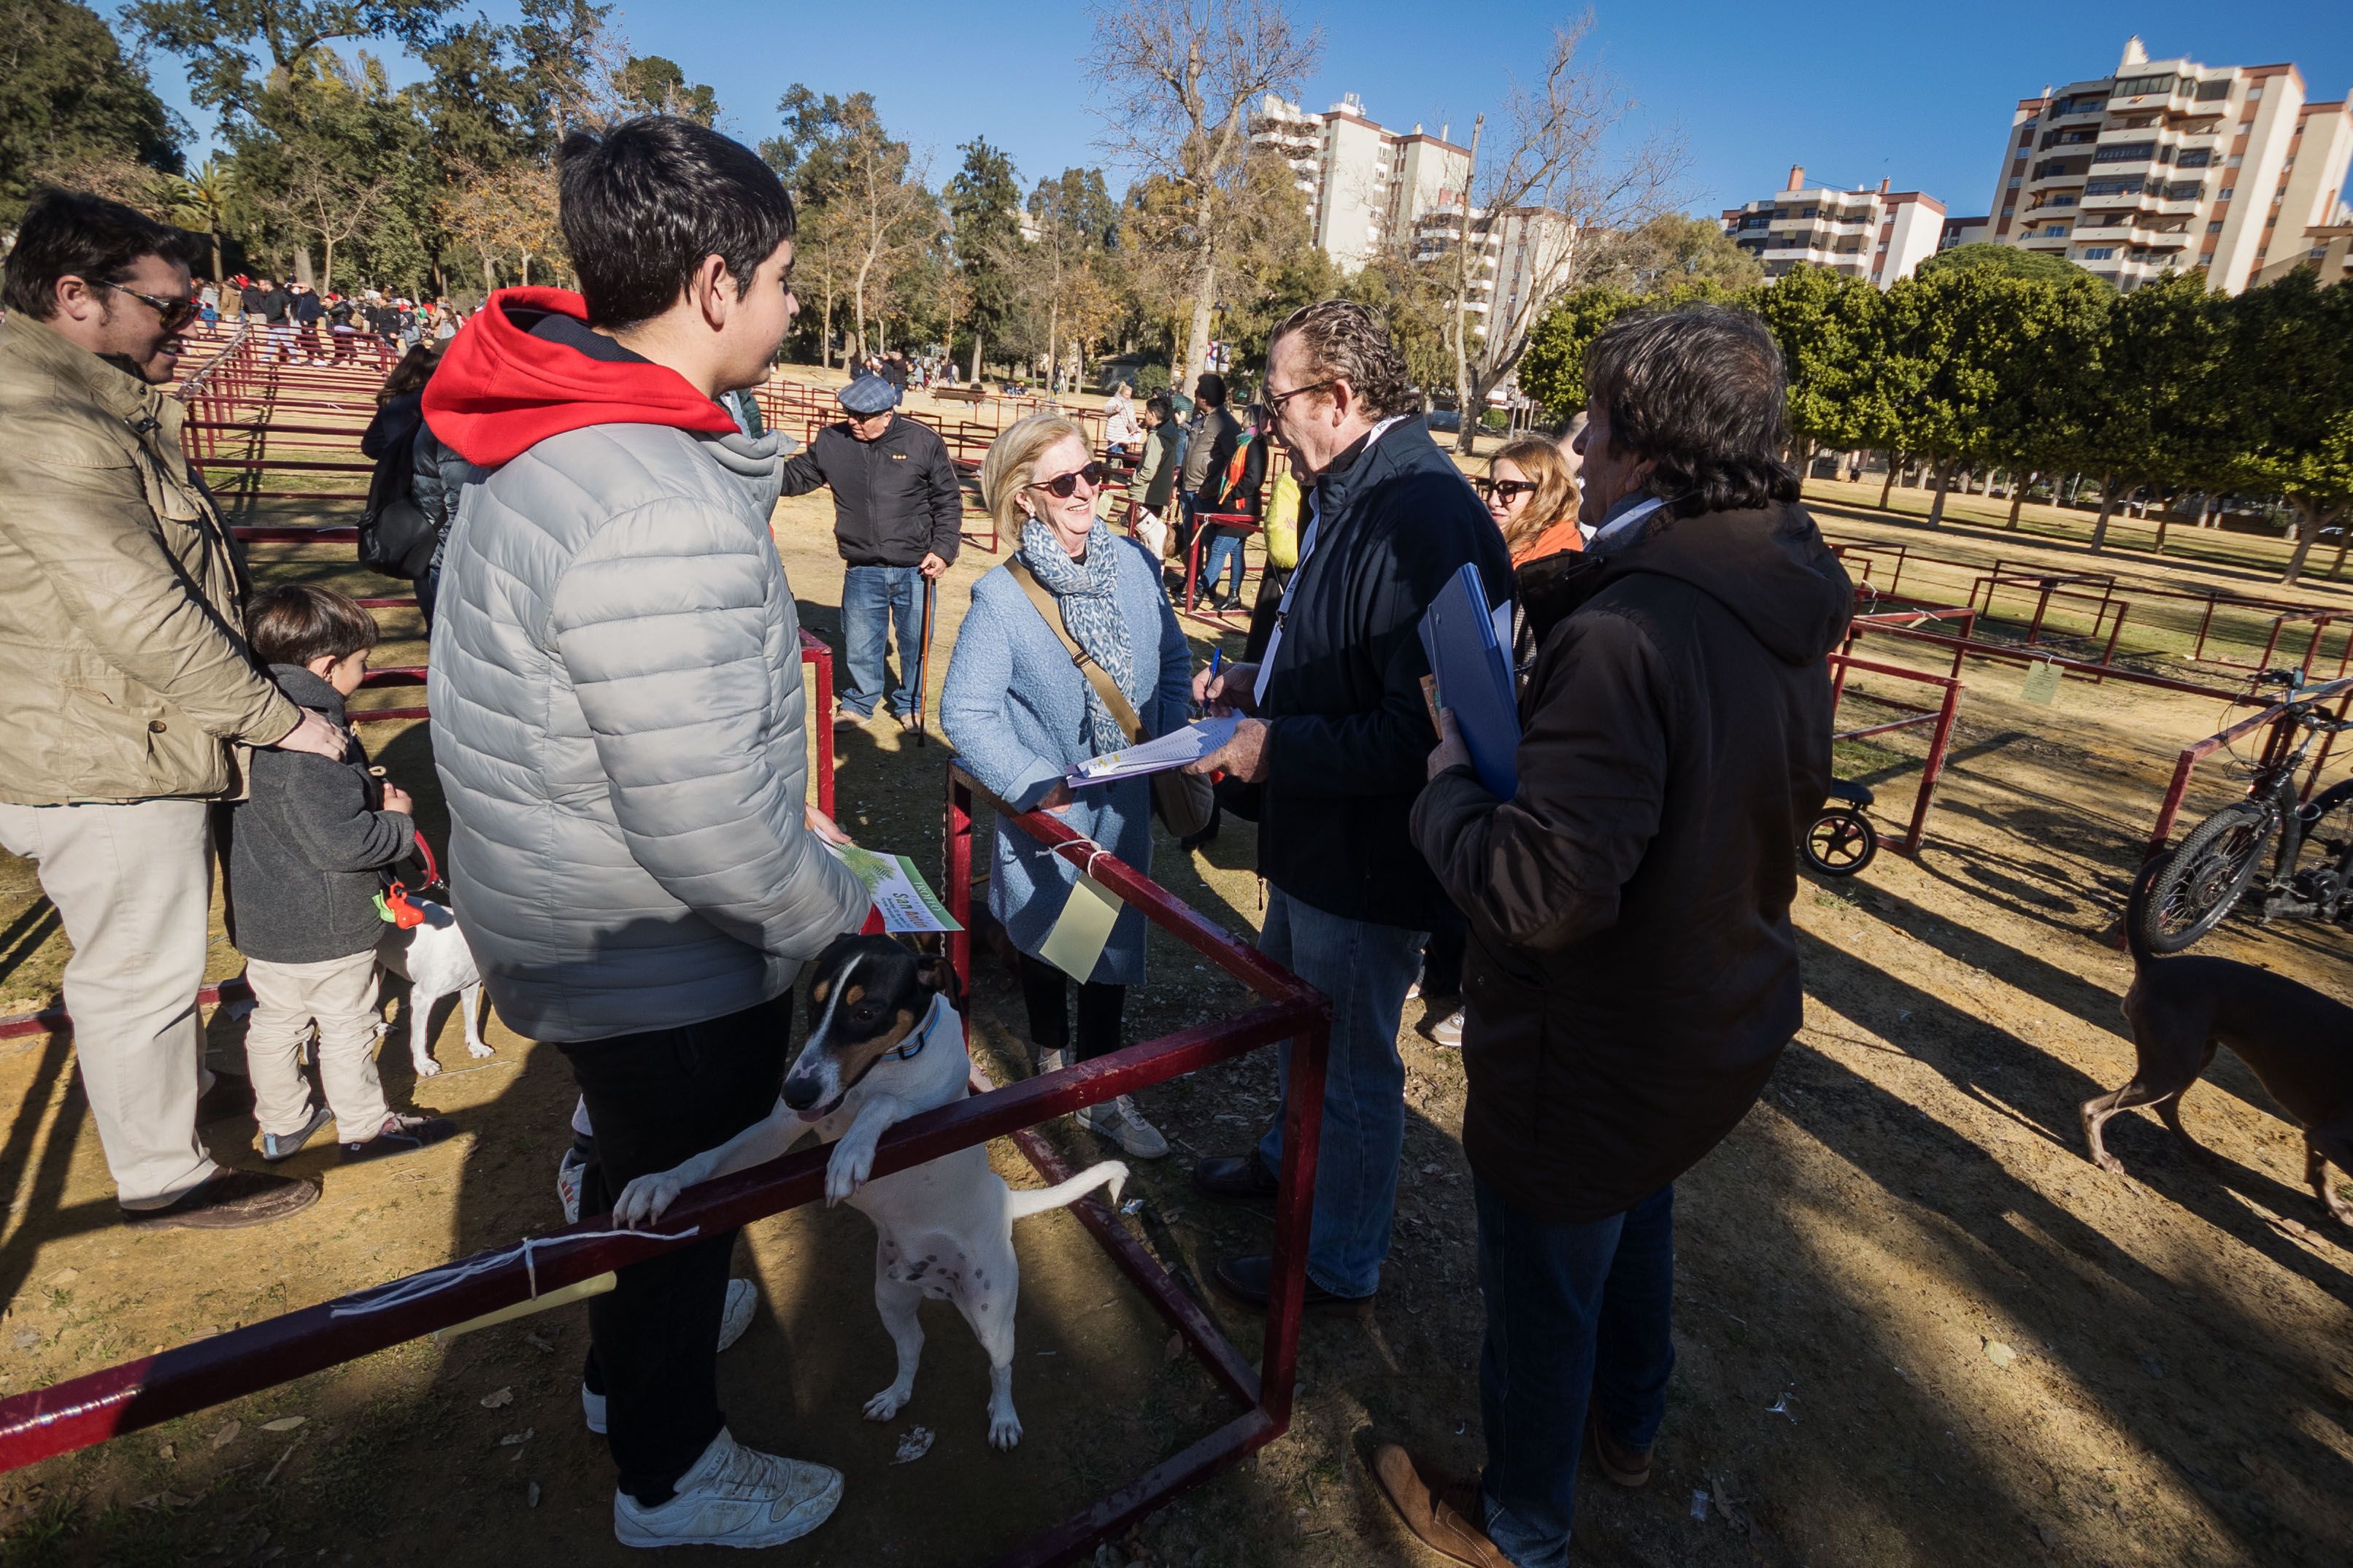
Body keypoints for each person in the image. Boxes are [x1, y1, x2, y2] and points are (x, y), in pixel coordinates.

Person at [424, 116, 869, 1549]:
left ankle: (632, 1373)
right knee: (689, 1179)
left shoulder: (568, 439)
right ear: (718, 283)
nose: (798, 311)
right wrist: (842, 924)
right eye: (789, 278)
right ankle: (673, 1475)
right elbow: (709, 829)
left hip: (578, 908)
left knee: (641, 1164)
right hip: (657, 946)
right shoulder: (648, 503)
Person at [1376, 305, 1852, 1568]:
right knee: (1636, 1206)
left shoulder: (1628, 626)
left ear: (1642, 447)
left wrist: (1444, 781)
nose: (1575, 443)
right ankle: (1627, 1417)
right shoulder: (1771, 571)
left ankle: (1518, 1522)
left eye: (1592, 420)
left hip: (1591, 1036)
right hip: (1704, 1003)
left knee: (1543, 1290)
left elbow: (1537, 890)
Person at [0, 190, 346, 1230]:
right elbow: (142, 610)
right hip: (103, 749)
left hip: (119, 734)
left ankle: (173, 1096)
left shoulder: (86, 406)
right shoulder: (46, 425)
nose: (187, 325)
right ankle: (162, 1174)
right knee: (139, 969)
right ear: (76, 297)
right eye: (166, 304)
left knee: (155, 959)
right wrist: (281, 720)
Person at [1183, 299, 1509, 1313]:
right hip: (1317, 832)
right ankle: (1291, 1159)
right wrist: (1259, 683)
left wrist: (1274, 744)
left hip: (1367, 856)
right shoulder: (1355, 488)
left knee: (1354, 1064)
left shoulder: (1423, 513)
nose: (1265, 421)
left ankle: (1337, 1261)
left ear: (1339, 395)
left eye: (1277, 400)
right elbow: (1342, 650)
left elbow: (1424, 731)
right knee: (1299, 1025)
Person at [940, 417, 1189, 1160]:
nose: (1086, 491)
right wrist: (1029, 784)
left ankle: (1101, 1088)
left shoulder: (1137, 568)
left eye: (1094, 474)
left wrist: (1165, 744)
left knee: (1106, 946)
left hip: (1125, 809)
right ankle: (1053, 1064)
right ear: (1024, 498)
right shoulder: (1001, 599)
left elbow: (1172, 661)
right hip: (1053, 815)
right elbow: (966, 709)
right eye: (1063, 482)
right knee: (1054, 941)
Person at [231, 585, 458, 1163]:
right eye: (362, 663)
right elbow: (346, 843)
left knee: (276, 1022)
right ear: (328, 667)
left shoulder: (249, 724)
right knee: (349, 1023)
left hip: (265, 919)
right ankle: (364, 1125)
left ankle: (283, 1122)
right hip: (329, 923)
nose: (366, 672)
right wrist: (396, 822)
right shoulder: (319, 745)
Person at [779, 372, 962, 732]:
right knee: (861, 643)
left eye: (862, 417)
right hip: (862, 566)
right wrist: (752, 472)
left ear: (887, 415)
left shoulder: (923, 442)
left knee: (915, 643)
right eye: (849, 413)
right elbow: (796, 477)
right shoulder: (832, 441)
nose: (853, 422)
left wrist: (943, 550)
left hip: (916, 567)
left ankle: (911, 704)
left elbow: (948, 500)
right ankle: (859, 704)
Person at [1195, 402, 1268, 612]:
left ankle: (1198, 591)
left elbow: (1253, 478)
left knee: (1218, 548)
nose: (1241, 419)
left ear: (1252, 419)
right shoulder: (1244, 442)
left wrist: (1233, 493)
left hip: (1241, 507)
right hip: (1233, 506)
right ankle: (1234, 594)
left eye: (1245, 415)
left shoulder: (1254, 444)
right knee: (1236, 551)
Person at [1174, 372, 1239, 579]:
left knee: (1209, 541)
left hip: (1205, 496)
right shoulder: (1200, 419)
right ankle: (1190, 580)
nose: (1195, 394)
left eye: (1199, 391)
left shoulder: (1226, 424)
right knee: (1189, 539)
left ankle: (1206, 586)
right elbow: (1190, 452)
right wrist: (1180, 481)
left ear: (1206, 396)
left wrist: (1211, 487)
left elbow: (1232, 461)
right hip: (1188, 490)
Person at [1479, 437, 1582, 565]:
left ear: (1546, 493)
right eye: (1490, 487)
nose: (1492, 501)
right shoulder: (1490, 536)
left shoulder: (1555, 555)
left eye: (1509, 489)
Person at [1125, 392, 1185, 552]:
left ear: (1152, 415)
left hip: (1147, 493)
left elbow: (1149, 468)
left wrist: (1135, 480)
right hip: (1158, 493)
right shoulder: (1168, 435)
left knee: (1138, 538)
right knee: (1150, 540)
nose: (1144, 416)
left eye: (1145, 413)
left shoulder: (1155, 438)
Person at [1103, 380, 1141, 458]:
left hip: (1124, 433)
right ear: (1121, 393)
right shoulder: (1114, 400)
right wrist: (1114, 409)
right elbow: (1105, 409)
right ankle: (1109, 467)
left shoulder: (1130, 404)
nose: (1128, 397)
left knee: (1119, 454)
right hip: (1114, 432)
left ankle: (1115, 467)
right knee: (1112, 453)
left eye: (1129, 395)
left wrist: (1135, 427)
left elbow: (1132, 417)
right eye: (1126, 395)